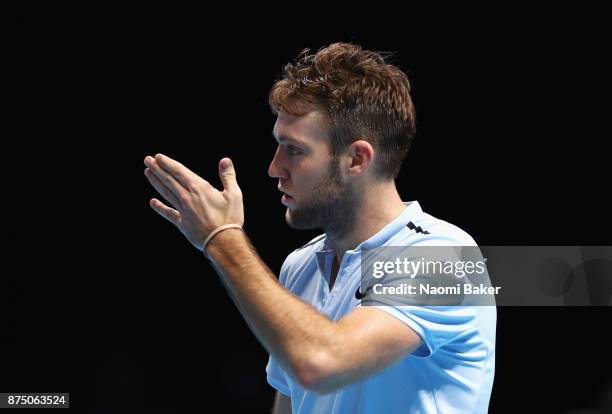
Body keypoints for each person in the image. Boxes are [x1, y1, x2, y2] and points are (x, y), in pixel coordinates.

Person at [143, 42, 496, 413]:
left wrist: (222, 238)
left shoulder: (443, 255)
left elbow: (321, 362)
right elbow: (294, 398)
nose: (274, 168)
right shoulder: (300, 265)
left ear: (356, 159)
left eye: (293, 150)